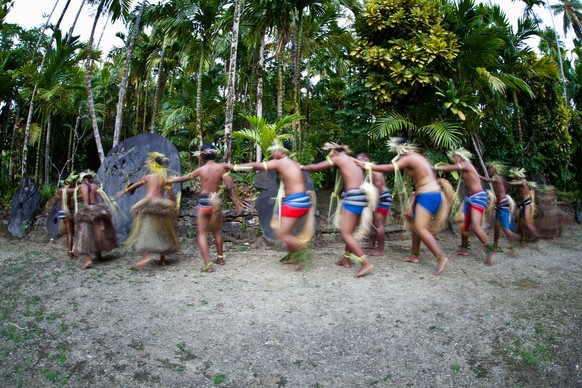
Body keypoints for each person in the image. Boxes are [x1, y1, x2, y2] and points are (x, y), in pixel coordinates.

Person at [358, 138, 452, 275]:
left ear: (399, 149)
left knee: (420, 228)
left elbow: (390, 168)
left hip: (429, 194)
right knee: (415, 226)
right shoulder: (415, 157)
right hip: (423, 194)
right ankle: (414, 255)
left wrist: (367, 166)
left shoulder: (410, 158)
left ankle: (440, 257)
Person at [227, 141, 314, 268]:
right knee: (285, 230)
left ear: (283, 152)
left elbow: (255, 166)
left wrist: (233, 167)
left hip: (295, 201)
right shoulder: (293, 163)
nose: (273, 153)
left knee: (282, 233)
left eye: (275, 150)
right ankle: (294, 256)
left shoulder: (280, 162)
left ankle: (302, 252)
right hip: (301, 200)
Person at [301, 142, 376, 277]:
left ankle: (366, 263)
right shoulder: (353, 161)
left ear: (335, 152)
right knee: (350, 233)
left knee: (346, 234)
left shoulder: (339, 158)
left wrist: (301, 167)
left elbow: (315, 167)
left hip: (353, 198)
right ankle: (346, 259)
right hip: (361, 197)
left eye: (331, 154)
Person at [170, 144, 241, 272]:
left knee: (202, 234)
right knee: (217, 231)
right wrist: (237, 203)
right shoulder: (221, 168)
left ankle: (208, 265)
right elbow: (230, 185)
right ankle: (220, 259)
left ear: (202, 155)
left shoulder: (200, 170)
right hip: (215, 201)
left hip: (204, 202)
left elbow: (184, 178)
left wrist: (170, 181)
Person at [116, 152, 180, 269]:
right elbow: (170, 194)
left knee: (145, 230)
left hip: (147, 204)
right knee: (163, 231)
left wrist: (123, 192)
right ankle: (162, 259)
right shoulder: (165, 178)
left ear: (152, 164)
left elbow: (135, 186)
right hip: (160, 204)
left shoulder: (148, 177)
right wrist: (174, 205)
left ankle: (146, 256)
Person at [435, 148, 495, 266]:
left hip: (478, 197)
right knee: (465, 225)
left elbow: (449, 168)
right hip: (471, 198)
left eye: (454, 157)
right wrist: (488, 179)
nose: (453, 159)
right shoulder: (467, 167)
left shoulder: (465, 164)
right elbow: (479, 177)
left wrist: (433, 168)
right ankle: (464, 249)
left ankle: (490, 250)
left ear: (460, 156)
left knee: (476, 226)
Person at [73, 170, 118, 269]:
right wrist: (110, 203)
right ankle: (99, 255)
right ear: (89, 178)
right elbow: (104, 198)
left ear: (82, 179)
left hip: (87, 211)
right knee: (98, 232)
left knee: (85, 235)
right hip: (97, 210)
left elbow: (81, 201)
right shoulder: (95, 186)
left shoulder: (80, 187)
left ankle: (88, 260)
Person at [356, 153, 392, 257]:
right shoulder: (370, 169)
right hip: (377, 199)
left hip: (382, 198)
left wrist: (372, 197)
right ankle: (371, 243)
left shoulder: (374, 169)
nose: (358, 164)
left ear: (366, 159)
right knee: (373, 222)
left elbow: (379, 187)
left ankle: (380, 249)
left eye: (359, 161)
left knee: (378, 223)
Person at [479, 162, 519, 253]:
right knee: (497, 227)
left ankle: (513, 247)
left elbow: (486, 180)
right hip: (500, 203)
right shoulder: (499, 178)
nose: (489, 169)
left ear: (495, 169)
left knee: (505, 228)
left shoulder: (497, 177)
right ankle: (495, 245)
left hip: (502, 203)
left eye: (490, 168)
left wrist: (477, 175)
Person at [508, 167, 539, 243]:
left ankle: (536, 236)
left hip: (526, 203)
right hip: (522, 203)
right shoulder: (521, 181)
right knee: (520, 223)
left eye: (515, 176)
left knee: (526, 223)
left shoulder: (523, 181)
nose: (514, 177)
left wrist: (507, 183)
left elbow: (516, 183)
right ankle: (523, 239)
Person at [54, 172, 78, 258]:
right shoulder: (70, 191)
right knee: (70, 233)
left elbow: (54, 202)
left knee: (69, 233)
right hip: (68, 212)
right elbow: (72, 204)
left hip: (61, 212)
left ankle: (69, 251)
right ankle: (70, 253)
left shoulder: (60, 191)